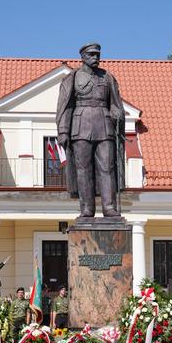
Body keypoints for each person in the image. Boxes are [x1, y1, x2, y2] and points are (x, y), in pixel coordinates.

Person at [56, 43, 126, 218]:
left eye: (98, 55)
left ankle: (109, 207)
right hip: (80, 126)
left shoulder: (107, 77)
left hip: (104, 125)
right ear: (83, 57)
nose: (96, 58)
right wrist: (63, 130)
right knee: (83, 169)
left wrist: (117, 113)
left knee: (107, 167)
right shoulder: (73, 77)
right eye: (92, 55)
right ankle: (87, 208)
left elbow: (116, 103)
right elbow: (65, 106)